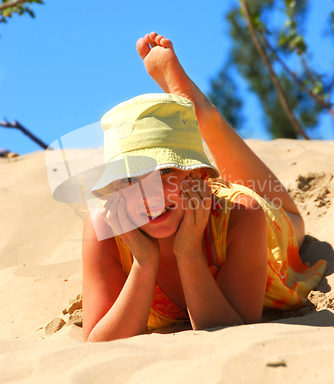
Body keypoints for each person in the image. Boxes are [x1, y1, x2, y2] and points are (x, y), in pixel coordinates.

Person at [82, 32, 326, 342]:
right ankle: (196, 122)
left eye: (164, 170)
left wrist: (189, 253)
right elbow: (98, 342)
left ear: (199, 177)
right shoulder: (105, 227)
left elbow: (229, 334)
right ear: (114, 190)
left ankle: (206, 119)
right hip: (196, 195)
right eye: (130, 178)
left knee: (294, 221)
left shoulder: (243, 216)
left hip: (224, 212)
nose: (148, 195)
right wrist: (144, 261)